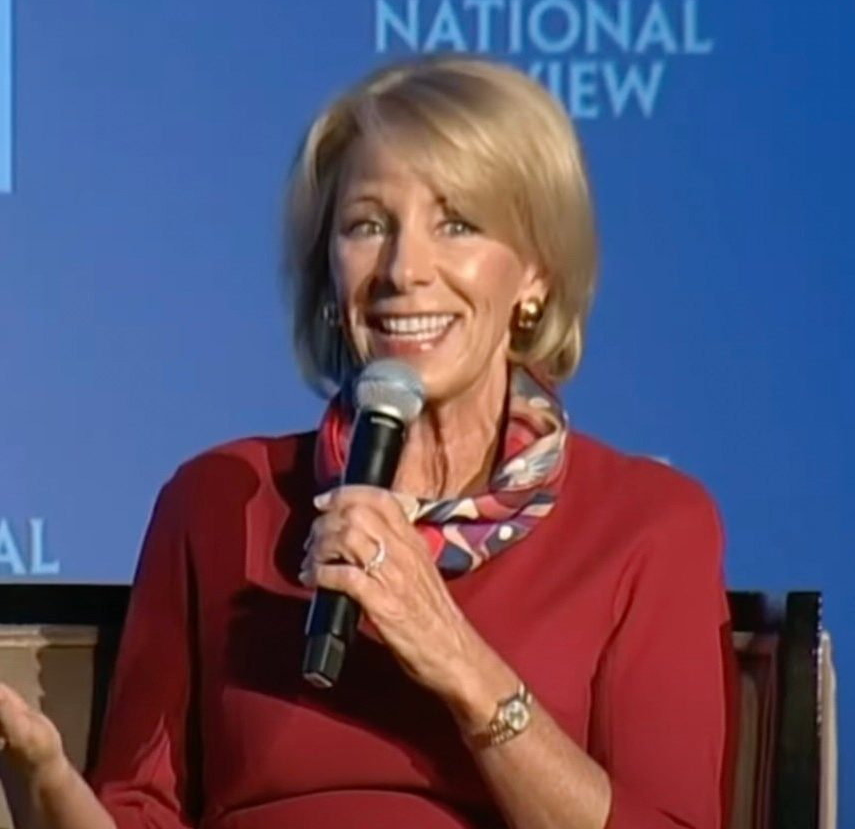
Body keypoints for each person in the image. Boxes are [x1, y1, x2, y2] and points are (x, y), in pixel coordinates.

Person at [0, 56, 736, 829]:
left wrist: (456, 657)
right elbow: (141, 812)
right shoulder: (221, 500)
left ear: (536, 274)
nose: (403, 270)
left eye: (457, 223)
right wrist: (43, 781)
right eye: (367, 226)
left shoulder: (648, 526)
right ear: (328, 272)